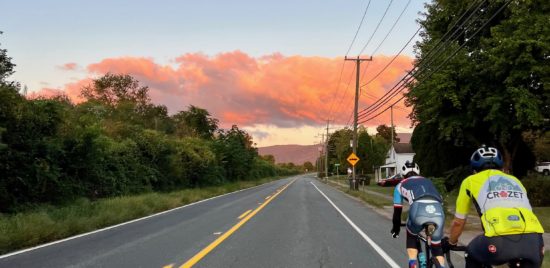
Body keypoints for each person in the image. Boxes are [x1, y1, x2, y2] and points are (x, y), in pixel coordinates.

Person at [444, 145, 545, 267]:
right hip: (535, 241)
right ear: (501, 168)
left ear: (475, 170)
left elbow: (458, 222)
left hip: (498, 240)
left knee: (471, 253)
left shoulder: (470, 181)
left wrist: (451, 242)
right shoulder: (515, 180)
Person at [391, 161, 446, 268]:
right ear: (418, 172)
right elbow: (440, 199)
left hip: (418, 209)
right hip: (438, 210)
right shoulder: (428, 181)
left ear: (403, 174)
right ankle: (441, 265)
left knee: (411, 234)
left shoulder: (400, 185)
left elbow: (397, 212)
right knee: (436, 246)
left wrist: (396, 229)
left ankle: (413, 264)